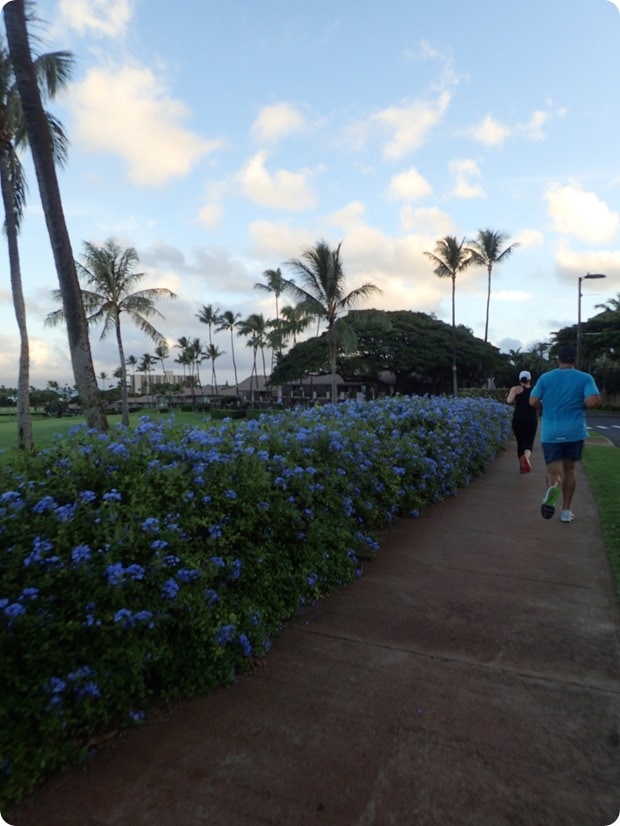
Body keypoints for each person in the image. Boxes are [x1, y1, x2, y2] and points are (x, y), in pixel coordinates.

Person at [529, 345, 601, 523]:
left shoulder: (546, 378)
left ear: (558, 360)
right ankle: (566, 510)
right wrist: (589, 401)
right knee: (569, 469)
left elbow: (533, 401)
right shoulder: (585, 378)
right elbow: (592, 401)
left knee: (553, 471)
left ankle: (552, 489)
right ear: (575, 360)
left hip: (551, 432)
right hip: (574, 432)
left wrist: (544, 407)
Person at [506, 370, 538, 473]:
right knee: (528, 443)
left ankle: (522, 466)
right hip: (531, 419)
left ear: (520, 379)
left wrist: (516, 399)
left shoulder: (515, 389)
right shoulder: (535, 390)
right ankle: (527, 458)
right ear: (529, 379)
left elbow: (509, 401)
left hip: (518, 419)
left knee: (520, 443)